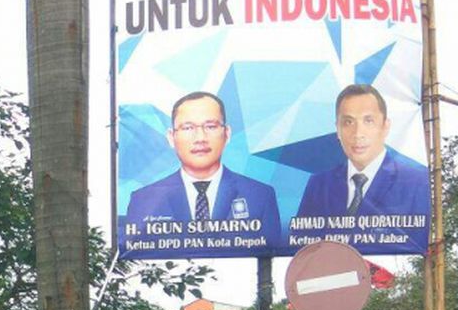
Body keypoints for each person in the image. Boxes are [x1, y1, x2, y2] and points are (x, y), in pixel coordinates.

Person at [125, 91, 281, 230]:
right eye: (188, 128)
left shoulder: (260, 195)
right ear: (171, 137)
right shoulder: (144, 200)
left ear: (227, 133)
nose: (200, 138)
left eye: (211, 126)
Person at [296, 84, 430, 220]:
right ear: (337, 129)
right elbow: (302, 239)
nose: (358, 133)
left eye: (368, 121)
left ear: (385, 126)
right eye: (348, 122)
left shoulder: (415, 182)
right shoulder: (319, 185)